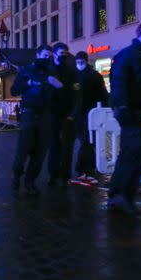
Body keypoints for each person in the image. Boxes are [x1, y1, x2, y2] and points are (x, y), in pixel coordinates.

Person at [107, 21, 141, 217]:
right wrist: (122, 106)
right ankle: (124, 196)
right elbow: (120, 82)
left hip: (132, 109)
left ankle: (118, 194)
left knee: (130, 153)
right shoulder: (131, 54)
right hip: (128, 110)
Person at [11, 44, 63, 195]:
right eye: (45, 55)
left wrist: (58, 85)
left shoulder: (52, 72)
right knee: (23, 150)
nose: (48, 58)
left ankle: (30, 182)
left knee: (40, 153)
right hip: (29, 114)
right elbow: (14, 90)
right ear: (38, 55)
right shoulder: (26, 70)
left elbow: (60, 93)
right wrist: (28, 83)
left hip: (46, 116)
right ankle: (17, 175)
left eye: (50, 56)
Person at [69, 51, 109, 186]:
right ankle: (87, 168)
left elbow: (102, 95)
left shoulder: (88, 76)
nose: (79, 64)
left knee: (86, 142)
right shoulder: (92, 75)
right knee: (88, 142)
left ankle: (84, 169)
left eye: (81, 62)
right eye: (78, 62)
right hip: (87, 113)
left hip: (85, 113)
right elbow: (103, 95)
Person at [47, 42, 76, 188]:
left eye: (66, 53)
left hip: (66, 113)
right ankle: (53, 174)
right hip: (52, 113)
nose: (64, 55)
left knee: (67, 146)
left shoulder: (70, 70)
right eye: (61, 52)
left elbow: (75, 93)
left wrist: (72, 112)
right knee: (54, 145)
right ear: (55, 53)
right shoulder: (48, 69)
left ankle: (65, 176)